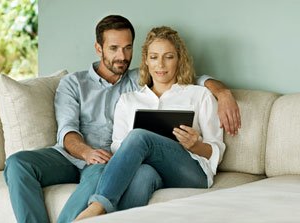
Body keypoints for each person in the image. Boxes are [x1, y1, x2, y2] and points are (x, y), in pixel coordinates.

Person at [3, 15, 237, 223]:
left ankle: (95, 208)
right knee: (17, 163)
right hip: (77, 155)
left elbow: (185, 79)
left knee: (139, 155)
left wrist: (222, 92)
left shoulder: (140, 80)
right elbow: (68, 129)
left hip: (118, 161)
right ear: (98, 48)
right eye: (114, 48)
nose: (121, 56)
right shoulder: (77, 84)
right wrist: (86, 152)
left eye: (127, 48)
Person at [75, 26, 226, 220]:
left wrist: (195, 145)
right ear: (146, 60)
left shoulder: (199, 95)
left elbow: (217, 150)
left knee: (139, 136)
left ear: (179, 59)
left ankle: (98, 205)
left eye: (168, 57)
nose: (160, 65)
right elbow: (118, 146)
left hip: (191, 172)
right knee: (144, 174)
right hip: (146, 168)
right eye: (154, 57)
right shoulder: (128, 100)